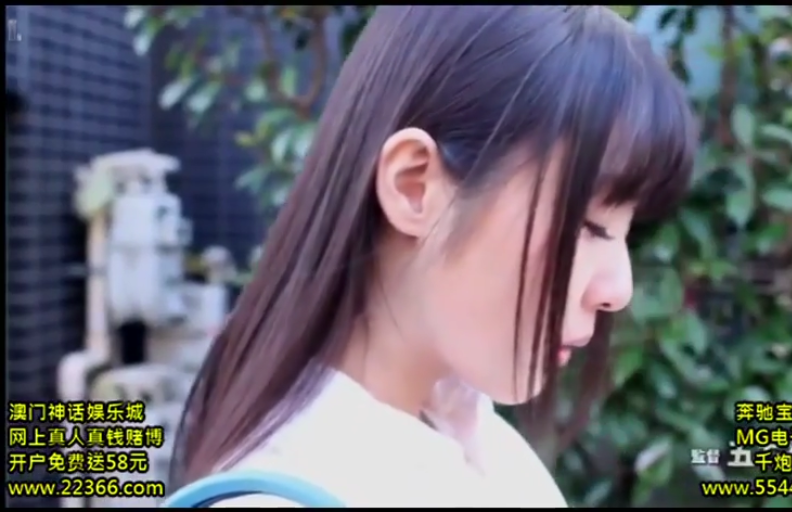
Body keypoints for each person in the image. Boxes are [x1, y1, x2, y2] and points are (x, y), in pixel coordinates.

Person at [171, 5, 696, 507]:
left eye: (624, 231)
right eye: (586, 223)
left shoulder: (477, 438)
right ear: (415, 186)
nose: (618, 289)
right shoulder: (284, 493)